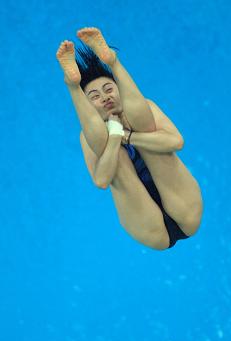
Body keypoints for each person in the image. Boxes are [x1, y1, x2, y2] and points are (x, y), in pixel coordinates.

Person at [56, 27, 203, 250]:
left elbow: (176, 142)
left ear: (119, 88)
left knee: (142, 122)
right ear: (88, 106)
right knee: (111, 154)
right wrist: (114, 138)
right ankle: (73, 86)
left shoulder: (146, 109)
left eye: (109, 89)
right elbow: (101, 180)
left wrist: (128, 136)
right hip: (148, 228)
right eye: (94, 97)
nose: (105, 97)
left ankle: (112, 62)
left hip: (185, 208)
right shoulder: (88, 138)